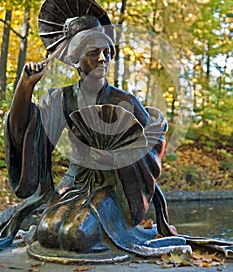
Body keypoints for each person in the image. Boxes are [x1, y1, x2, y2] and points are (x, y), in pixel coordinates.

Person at [1, 13, 186, 260]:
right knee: (48, 231)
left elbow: (151, 147)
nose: (102, 59)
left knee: (76, 234)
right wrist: (25, 87)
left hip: (113, 182)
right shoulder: (61, 99)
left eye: (106, 52)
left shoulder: (125, 101)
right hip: (75, 179)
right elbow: (23, 131)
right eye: (93, 53)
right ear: (76, 60)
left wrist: (114, 159)